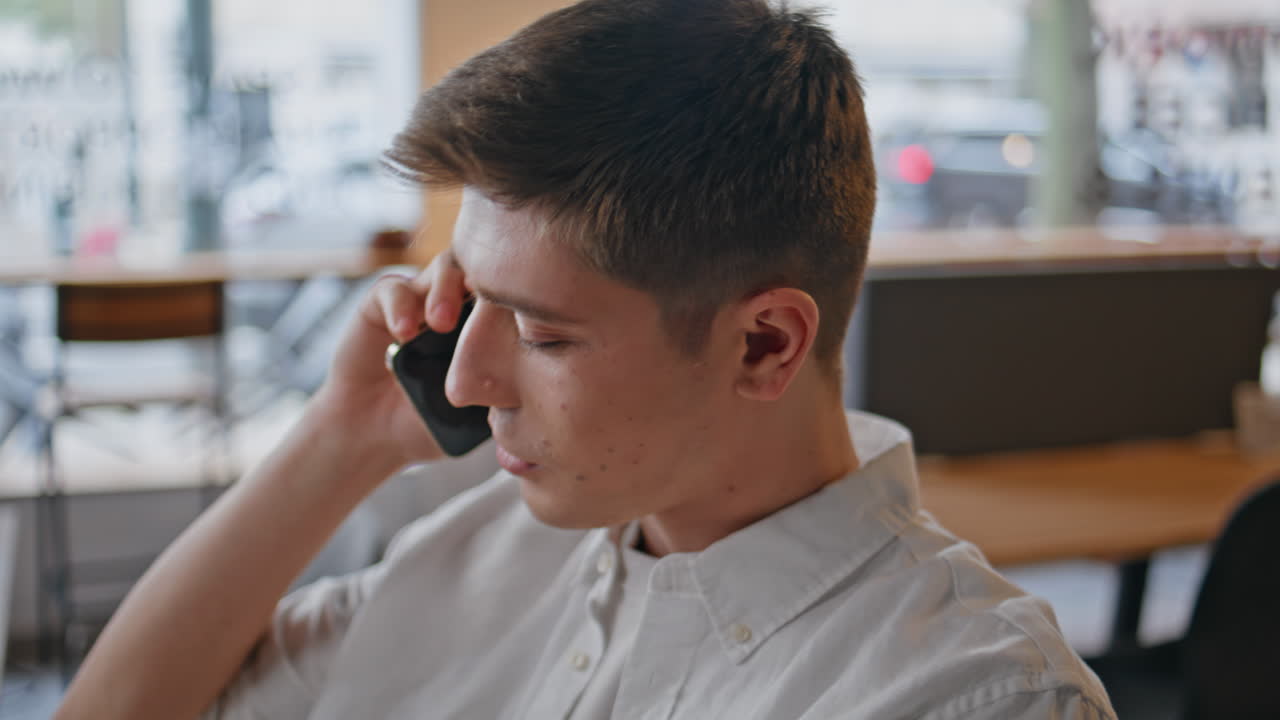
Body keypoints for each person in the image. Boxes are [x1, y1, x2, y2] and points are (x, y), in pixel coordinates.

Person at [57, 1, 1115, 718]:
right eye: (468, 298)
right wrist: (338, 439)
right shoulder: (484, 546)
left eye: (543, 332)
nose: (462, 380)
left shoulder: (964, 694)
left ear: (763, 344)